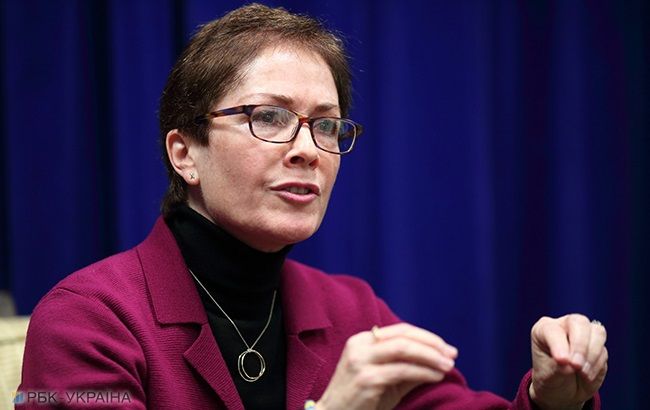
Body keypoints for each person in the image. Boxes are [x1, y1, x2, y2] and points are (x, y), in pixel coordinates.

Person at [19, 4, 607, 409]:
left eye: (326, 126)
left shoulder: (352, 309)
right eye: (269, 116)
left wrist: (550, 399)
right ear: (185, 153)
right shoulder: (86, 319)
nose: (308, 150)